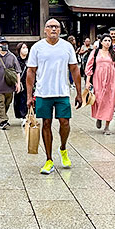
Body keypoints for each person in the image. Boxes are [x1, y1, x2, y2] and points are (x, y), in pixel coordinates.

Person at [26, 18, 83, 174]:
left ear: (60, 30)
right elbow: (31, 72)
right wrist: (29, 96)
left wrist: (79, 92)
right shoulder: (37, 47)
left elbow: (74, 69)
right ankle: (49, 159)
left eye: (56, 27)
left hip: (62, 91)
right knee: (46, 124)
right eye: (50, 27)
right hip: (43, 92)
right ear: (45, 29)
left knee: (65, 122)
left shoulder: (67, 47)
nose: (53, 29)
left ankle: (63, 148)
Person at [84, 34, 115, 135]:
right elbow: (89, 67)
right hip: (98, 79)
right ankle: (99, 117)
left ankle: (107, 126)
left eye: (109, 40)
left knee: (110, 102)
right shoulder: (95, 52)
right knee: (98, 99)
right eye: (105, 40)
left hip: (111, 80)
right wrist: (87, 81)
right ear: (101, 42)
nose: (108, 42)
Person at [13, 42, 30, 125]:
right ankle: (23, 116)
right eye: (23, 47)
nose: (25, 49)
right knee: (21, 100)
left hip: (30, 82)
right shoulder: (16, 60)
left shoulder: (30, 59)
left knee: (30, 99)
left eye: (26, 47)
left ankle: (29, 115)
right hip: (21, 83)